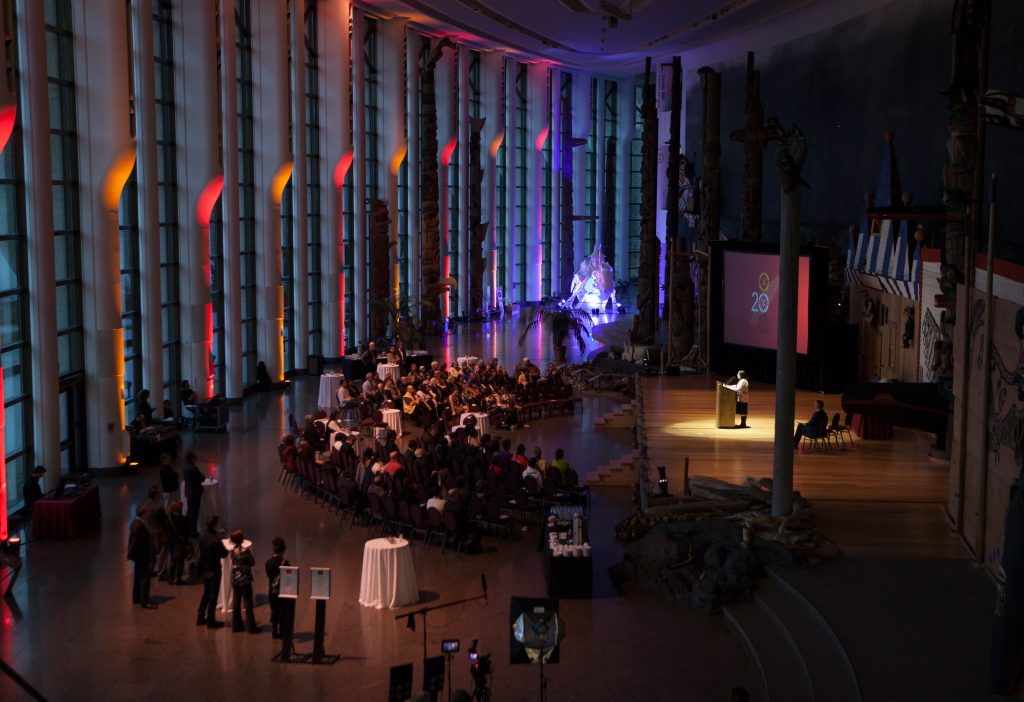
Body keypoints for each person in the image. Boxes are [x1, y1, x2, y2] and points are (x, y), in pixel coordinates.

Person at [197, 515, 227, 628]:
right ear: (215, 525)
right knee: (213, 595)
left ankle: (200, 616)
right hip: (214, 570)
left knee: (206, 593)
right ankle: (210, 620)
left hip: (205, 569)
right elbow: (224, 554)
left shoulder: (202, 536)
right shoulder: (215, 540)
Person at [229, 529, 259, 633]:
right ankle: (251, 627)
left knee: (236, 602)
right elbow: (252, 562)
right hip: (245, 579)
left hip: (235, 578)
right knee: (247, 602)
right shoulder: (245, 551)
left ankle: (236, 625)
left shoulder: (232, 551)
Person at [127, 506, 155, 608]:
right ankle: (145, 601)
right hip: (142, 556)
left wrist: (130, 554)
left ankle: (137, 598)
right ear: (143, 514)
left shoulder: (134, 523)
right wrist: (130, 554)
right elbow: (135, 542)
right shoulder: (140, 526)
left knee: (138, 577)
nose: (147, 516)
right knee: (145, 578)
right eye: (146, 514)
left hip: (138, 557)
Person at [266, 537, 290, 640]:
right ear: (283, 550)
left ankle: (274, 630)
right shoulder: (285, 563)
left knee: (274, 610)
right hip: (282, 591)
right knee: (283, 611)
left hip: (272, 590)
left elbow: (269, 575)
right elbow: (289, 577)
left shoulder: (268, 562)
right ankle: (282, 631)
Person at [182, 451, 206, 537]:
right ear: (192, 459)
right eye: (195, 458)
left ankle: (188, 528)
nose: (196, 459)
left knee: (190, 511)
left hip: (188, 491)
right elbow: (202, 478)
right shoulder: (193, 468)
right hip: (195, 492)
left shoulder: (185, 466)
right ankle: (193, 531)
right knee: (194, 513)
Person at [166, 501, 190, 585]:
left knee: (172, 561)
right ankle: (178, 579)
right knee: (180, 562)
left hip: (171, 543)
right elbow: (186, 532)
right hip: (180, 543)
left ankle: (170, 579)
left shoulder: (169, 519)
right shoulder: (183, 519)